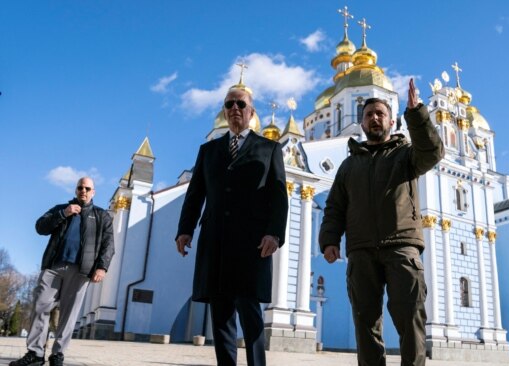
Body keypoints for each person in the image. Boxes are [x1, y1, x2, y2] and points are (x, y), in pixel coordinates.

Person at [319, 79, 445, 366]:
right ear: (362, 123)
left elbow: (433, 152)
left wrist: (417, 114)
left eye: (380, 114)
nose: (374, 118)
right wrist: (329, 240)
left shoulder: (406, 154)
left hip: (402, 248)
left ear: (391, 121)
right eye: (368, 115)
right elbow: (335, 206)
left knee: (410, 318)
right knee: (365, 323)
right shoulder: (349, 165)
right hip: (361, 251)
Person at [175, 85, 288, 366]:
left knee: (251, 314)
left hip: (252, 244)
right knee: (222, 314)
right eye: (229, 105)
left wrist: (274, 233)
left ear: (251, 112)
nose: (234, 109)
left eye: (240, 104)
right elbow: (195, 193)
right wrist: (185, 229)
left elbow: (278, 196)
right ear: (224, 112)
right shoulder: (209, 150)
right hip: (216, 241)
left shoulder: (269, 148)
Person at [11, 177, 114, 366]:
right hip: (53, 266)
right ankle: (35, 354)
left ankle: (57, 354)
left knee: (69, 314)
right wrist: (63, 214)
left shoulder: (102, 216)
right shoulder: (61, 209)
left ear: (93, 192)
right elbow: (40, 227)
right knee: (40, 306)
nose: (83, 190)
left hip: (81, 270)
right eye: (80, 187)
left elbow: (109, 244)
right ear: (76, 190)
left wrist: (102, 266)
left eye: (87, 188)